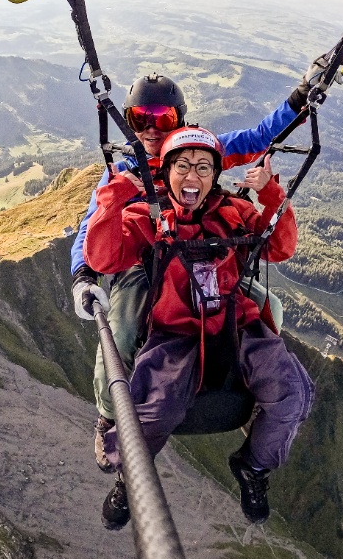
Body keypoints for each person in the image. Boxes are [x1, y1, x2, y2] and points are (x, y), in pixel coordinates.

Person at [71, 57, 335, 473]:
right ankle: (110, 412)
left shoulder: (193, 153)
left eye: (164, 118)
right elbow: (91, 230)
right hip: (144, 260)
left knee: (271, 310)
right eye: (141, 118)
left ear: (179, 121)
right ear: (127, 121)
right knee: (120, 331)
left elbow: (262, 137)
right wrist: (83, 276)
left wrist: (301, 98)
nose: (152, 130)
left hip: (199, 255)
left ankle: (252, 386)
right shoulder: (122, 172)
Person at [81, 127, 315, 529]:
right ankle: (128, 476)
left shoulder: (235, 213)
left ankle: (254, 468)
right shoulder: (148, 217)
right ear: (167, 172)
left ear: (215, 175)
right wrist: (114, 197)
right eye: (183, 166)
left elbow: (279, 247)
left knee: (293, 393)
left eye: (203, 168)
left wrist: (272, 195)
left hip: (237, 325)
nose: (193, 177)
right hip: (176, 333)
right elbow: (103, 259)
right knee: (151, 412)